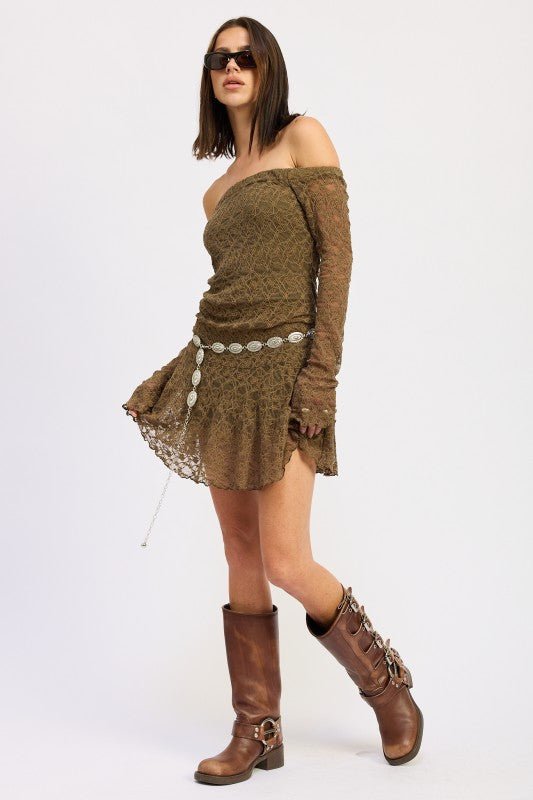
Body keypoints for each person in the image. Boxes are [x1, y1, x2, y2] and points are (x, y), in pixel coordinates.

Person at [121, 16, 423, 786]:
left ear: (266, 67)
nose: (231, 67)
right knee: (241, 553)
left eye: (245, 56)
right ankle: (256, 729)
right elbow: (225, 296)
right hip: (221, 376)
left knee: (287, 559)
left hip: (289, 370)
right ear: (208, 74)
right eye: (218, 58)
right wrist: (179, 374)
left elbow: (336, 264)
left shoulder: (303, 139)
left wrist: (320, 377)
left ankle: (386, 685)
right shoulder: (215, 192)